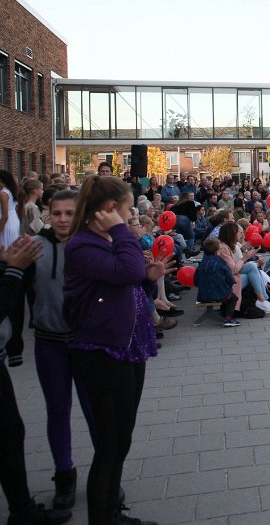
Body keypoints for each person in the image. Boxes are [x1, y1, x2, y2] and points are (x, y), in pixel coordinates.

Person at [63, 175, 168, 525]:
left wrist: (147, 280)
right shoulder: (83, 245)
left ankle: (110, 511)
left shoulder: (104, 241)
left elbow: (126, 282)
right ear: (110, 211)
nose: (132, 220)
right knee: (110, 445)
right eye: (127, 213)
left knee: (120, 439)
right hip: (103, 353)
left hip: (124, 348)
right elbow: (126, 271)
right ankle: (103, 518)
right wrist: (124, 237)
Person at [0, 237, 74, 525]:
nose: (63, 220)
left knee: (10, 434)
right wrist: (15, 269)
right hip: (49, 339)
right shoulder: (38, 246)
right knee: (13, 431)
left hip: (84, 339)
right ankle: (30, 504)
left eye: (70, 213)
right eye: (57, 213)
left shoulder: (87, 241)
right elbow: (11, 300)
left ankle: (22, 508)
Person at [194, 237, 240, 327]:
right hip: (220, 294)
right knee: (233, 298)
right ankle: (228, 319)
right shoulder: (221, 262)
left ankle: (213, 314)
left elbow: (196, 280)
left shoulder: (202, 263)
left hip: (202, 295)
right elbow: (229, 278)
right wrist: (230, 284)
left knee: (225, 294)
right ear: (217, 251)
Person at [0, 170, 20, 249]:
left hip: (5, 224)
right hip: (13, 221)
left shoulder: (3, 193)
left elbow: (5, 216)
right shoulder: (10, 191)